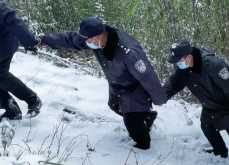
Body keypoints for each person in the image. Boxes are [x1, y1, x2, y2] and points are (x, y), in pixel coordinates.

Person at [40, 18, 166, 150]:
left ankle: (143, 147)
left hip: (134, 89)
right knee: (114, 106)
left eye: (87, 40)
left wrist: (158, 98)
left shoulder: (128, 53)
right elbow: (70, 39)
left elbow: (147, 76)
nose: (86, 44)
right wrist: (45, 40)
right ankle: (147, 116)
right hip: (117, 83)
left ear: (98, 37)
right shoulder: (95, 40)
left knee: (132, 122)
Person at [163, 40, 229, 165]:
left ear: (189, 57)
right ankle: (220, 151)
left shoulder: (214, 65)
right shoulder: (184, 69)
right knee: (207, 126)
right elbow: (175, 82)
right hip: (209, 104)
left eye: (179, 60)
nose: (177, 64)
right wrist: (161, 96)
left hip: (226, 105)